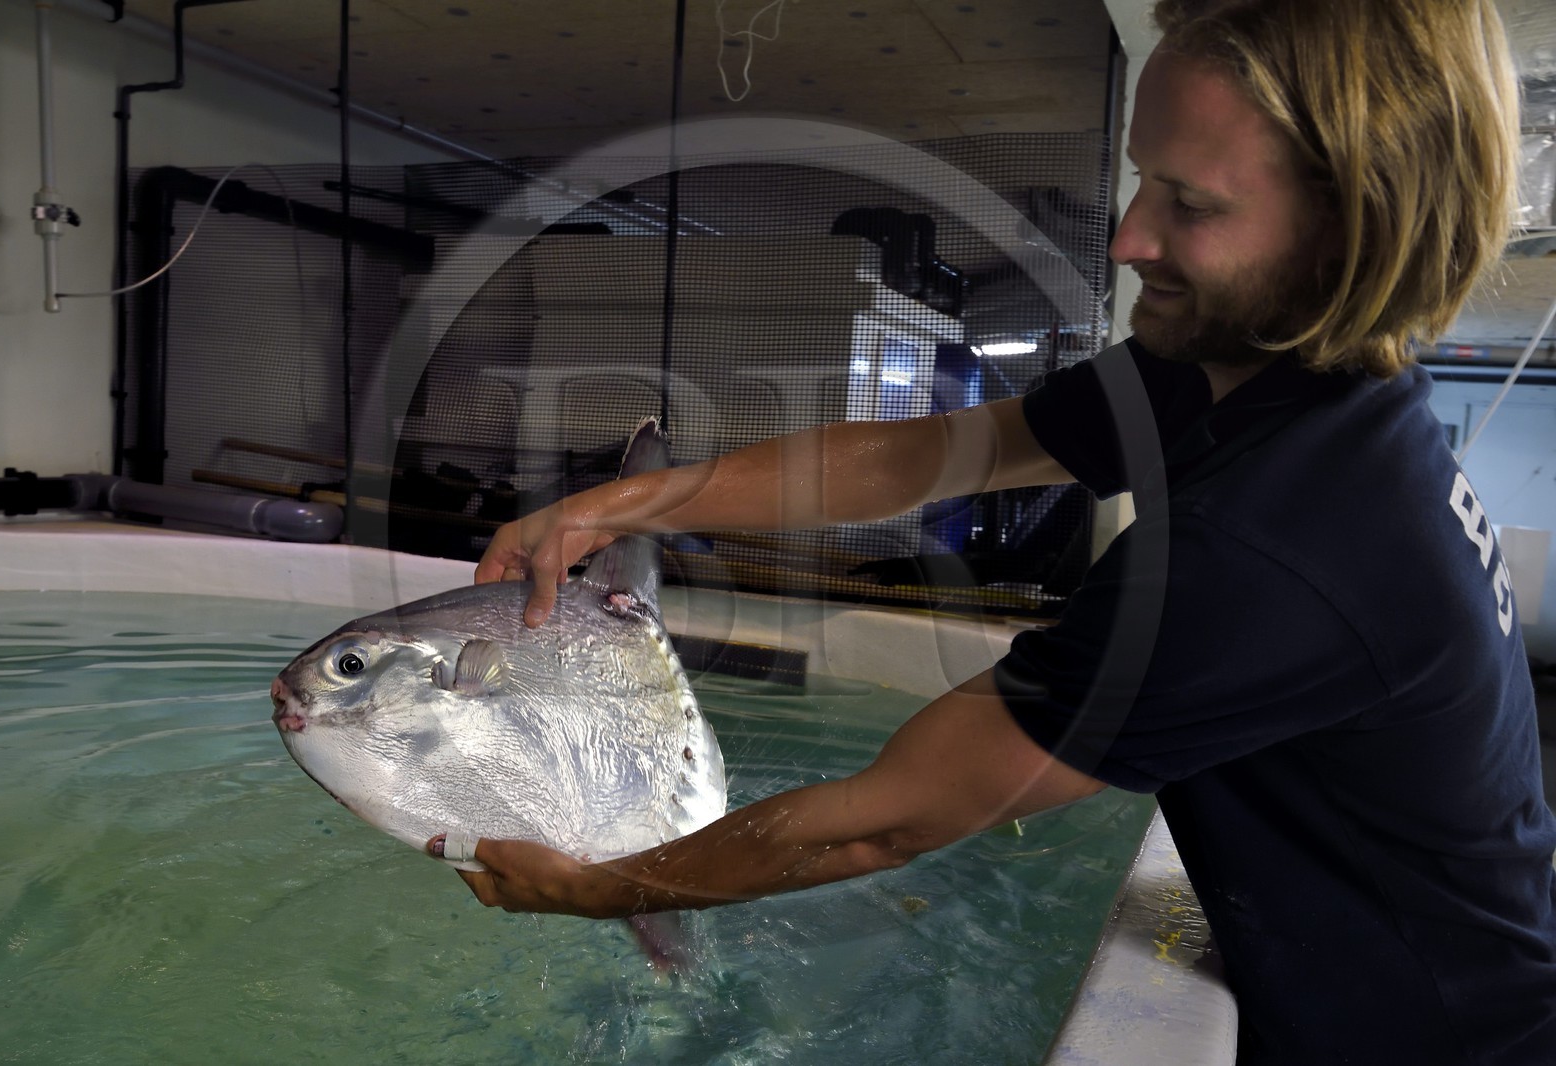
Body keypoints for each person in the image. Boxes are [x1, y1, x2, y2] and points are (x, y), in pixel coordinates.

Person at [441, 0, 1556, 1061]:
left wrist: (594, 887)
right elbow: (929, 454)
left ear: (1348, 226)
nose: (1127, 239)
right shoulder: (1266, 378)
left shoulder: (1283, 543)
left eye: (1191, 203)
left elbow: (886, 821)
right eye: (1138, 181)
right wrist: (618, 502)